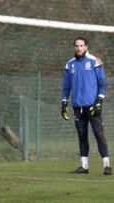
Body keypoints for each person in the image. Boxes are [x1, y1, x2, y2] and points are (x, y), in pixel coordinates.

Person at [61, 36, 111, 175]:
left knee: (99, 134)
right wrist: (64, 103)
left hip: (92, 106)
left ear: (86, 47)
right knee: (82, 136)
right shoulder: (69, 65)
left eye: (81, 45)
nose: (78, 48)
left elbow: (102, 84)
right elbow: (66, 87)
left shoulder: (95, 61)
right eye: (76, 46)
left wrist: (99, 102)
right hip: (78, 107)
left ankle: (107, 165)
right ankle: (84, 166)